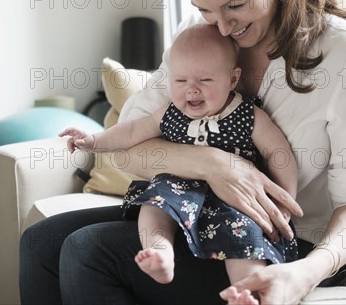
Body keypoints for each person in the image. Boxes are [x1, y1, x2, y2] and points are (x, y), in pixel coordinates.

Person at [19, 0, 346, 304]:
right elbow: (126, 151)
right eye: (204, 9)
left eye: (235, 6)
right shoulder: (197, 39)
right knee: (40, 241)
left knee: (89, 250)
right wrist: (215, 166)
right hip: (192, 212)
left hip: (277, 240)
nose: (224, 28)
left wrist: (303, 273)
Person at [59, 25, 299, 304]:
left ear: (233, 79)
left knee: (244, 239)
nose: (192, 90)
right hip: (179, 189)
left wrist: (284, 203)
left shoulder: (248, 115)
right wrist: (93, 140)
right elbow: (131, 132)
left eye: (205, 80)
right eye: (181, 80)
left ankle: (248, 292)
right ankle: (161, 252)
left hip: (234, 200)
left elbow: (278, 153)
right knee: (154, 204)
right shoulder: (170, 113)